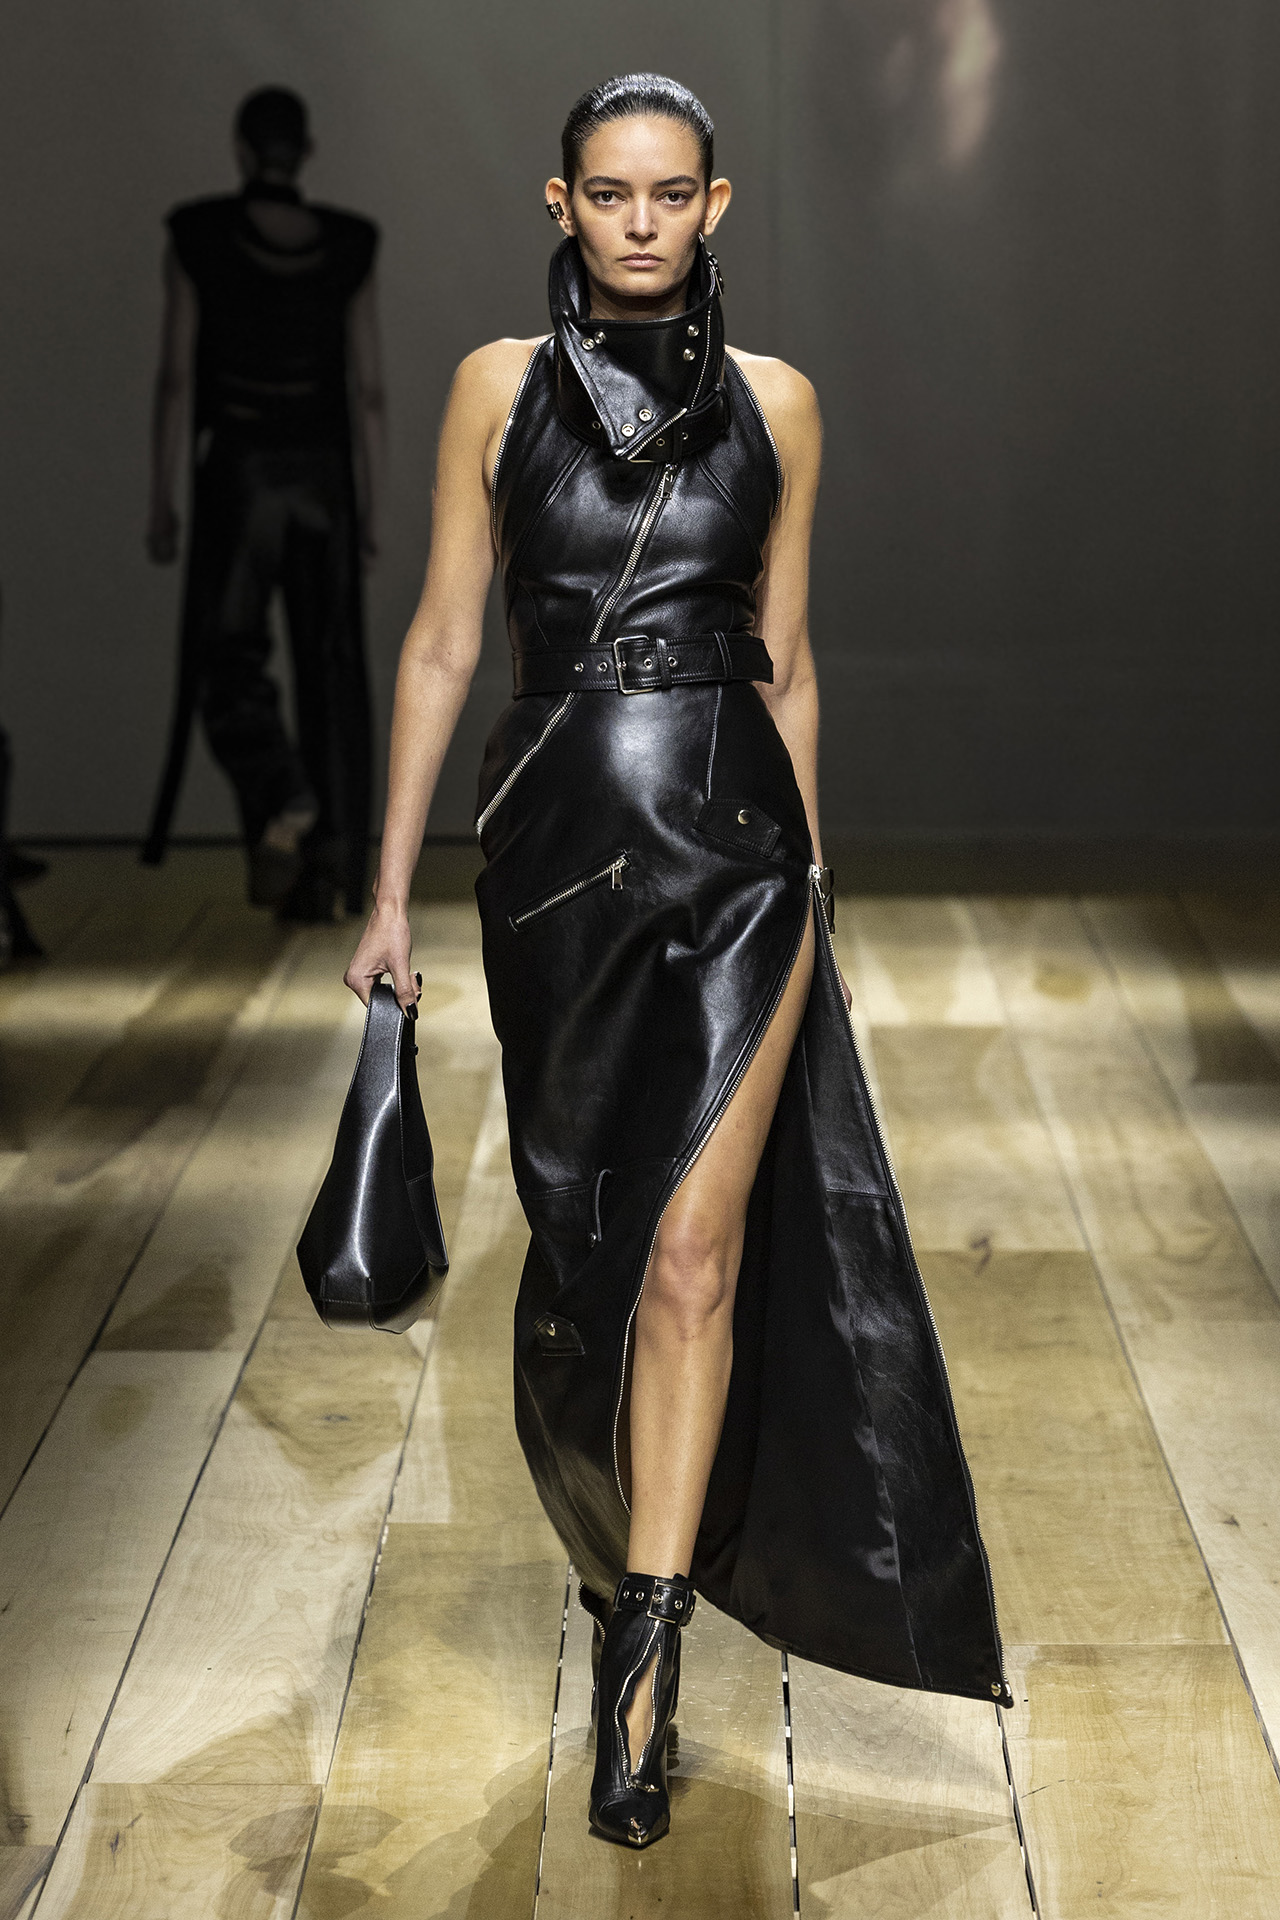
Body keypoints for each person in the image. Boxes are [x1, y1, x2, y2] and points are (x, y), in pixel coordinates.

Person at [345, 74, 1010, 1850]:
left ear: (714, 207)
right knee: (591, 1252)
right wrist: (390, 895)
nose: (639, 221)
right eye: (609, 193)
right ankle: (619, 1541)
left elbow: (788, 660)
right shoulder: (496, 389)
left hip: (739, 861)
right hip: (555, 863)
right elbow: (441, 644)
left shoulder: (781, 404)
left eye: (670, 194)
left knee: (697, 1255)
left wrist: (817, 882)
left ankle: (644, 1668)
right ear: (561, 203)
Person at [145, 87, 384, 922]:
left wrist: (161, 497)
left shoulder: (199, 235)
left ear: (243, 149)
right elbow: (368, 391)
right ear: (304, 151)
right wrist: (373, 507)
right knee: (331, 667)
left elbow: (176, 378)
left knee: (227, 656)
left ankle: (282, 792)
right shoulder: (350, 244)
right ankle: (329, 874)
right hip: (325, 479)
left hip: (240, 476)